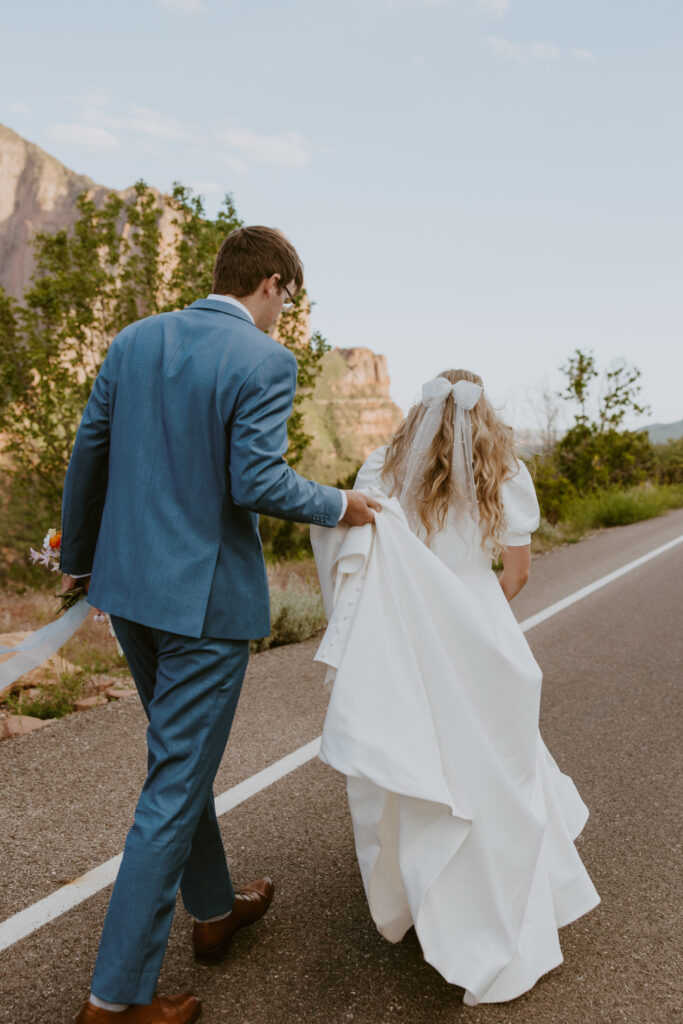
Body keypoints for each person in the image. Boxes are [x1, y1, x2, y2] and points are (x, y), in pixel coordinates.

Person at [60, 225, 381, 1024]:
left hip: (127, 591)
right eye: (289, 301)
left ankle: (212, 914)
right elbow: (255, 480)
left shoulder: (135, 341)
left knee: (180, 760)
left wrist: (80, 558)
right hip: (202, 607)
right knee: (173, 784)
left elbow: (89, 449)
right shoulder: (265, 360)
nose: (287, 318)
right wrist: (343, 504)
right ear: (271, 284)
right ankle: (114, 1000)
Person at [311, 369, 600, 1006]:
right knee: (499, 764)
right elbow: (516, 576)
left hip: (413, 636)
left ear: (420, 411)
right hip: (480, 633)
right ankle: (513, 891)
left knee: (430, 755)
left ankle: (431, 897)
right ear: (483, 413)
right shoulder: (505, 472)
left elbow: (355, 548)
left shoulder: (382, 467)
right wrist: (473, 622)